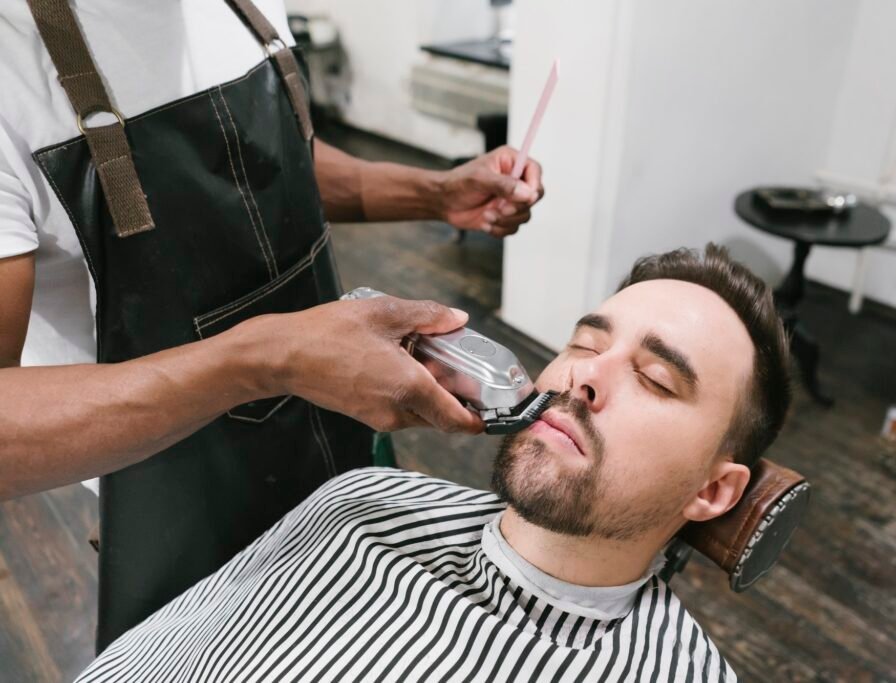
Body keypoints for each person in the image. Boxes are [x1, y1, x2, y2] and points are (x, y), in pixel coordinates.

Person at [0, 0, 543, 650]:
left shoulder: (243, 9)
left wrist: (433, 193)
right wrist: (266, 360)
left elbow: (265, 159)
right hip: (183, 500)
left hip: (341, 443)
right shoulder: (13, 63)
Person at [74, 245, 792, 682]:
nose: (585, 376)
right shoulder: (358, 503)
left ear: (712, 489)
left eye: (657, 379)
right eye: (582, 343)